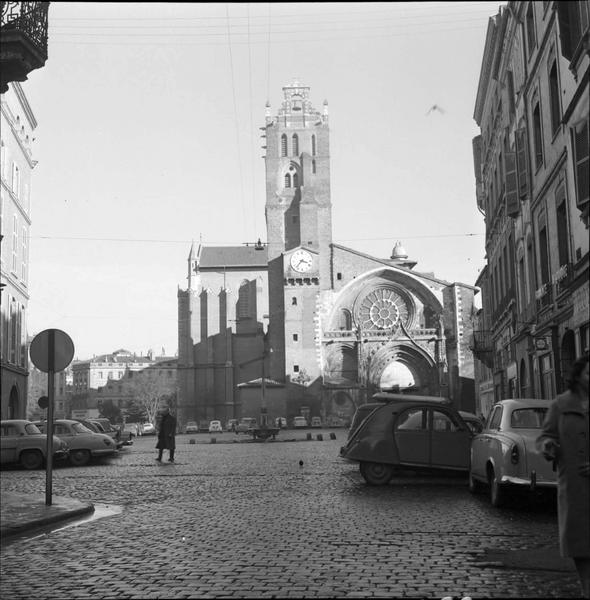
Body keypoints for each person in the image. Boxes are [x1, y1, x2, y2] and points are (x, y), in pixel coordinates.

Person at [537, 354, 589, 598]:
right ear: (578, 376)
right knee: (581, 547)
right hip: (576, 487)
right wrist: (548, 445)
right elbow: (546, 436)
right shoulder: (561, 404)